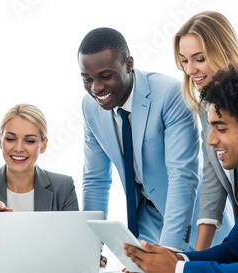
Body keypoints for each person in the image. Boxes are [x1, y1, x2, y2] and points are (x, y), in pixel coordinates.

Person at [123, 64, 238, 273]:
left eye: (221, 128)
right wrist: (172, 260)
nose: (210, 140)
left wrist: (177, 270)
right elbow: (235, 250)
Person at [77, 27, 200, 253]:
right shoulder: (90, 107)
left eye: (105, 76)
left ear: (128, 64)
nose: (96, 88)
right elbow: (95, 181)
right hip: (145, 223)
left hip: (193, 223)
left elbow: (182, 176)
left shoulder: (171, 95)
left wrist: (171, 252)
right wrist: (90, 249)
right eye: (87, 79)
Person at [0, 103, 79, 269]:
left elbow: (74, 249)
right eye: (10, 139)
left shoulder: (63, 187)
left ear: (43, 145)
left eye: (30, 141)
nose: (18, 148)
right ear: (0, 141)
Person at [174, 11, 238, 250]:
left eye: (199, 58)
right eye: (184, 60)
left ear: (223, 52)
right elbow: (213, 178)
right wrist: (196, 254)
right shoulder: (207, 106)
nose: (190, 70)